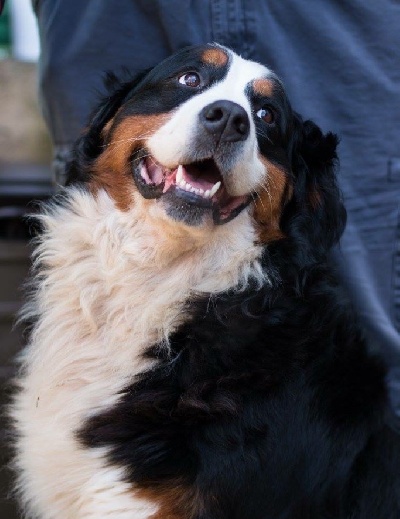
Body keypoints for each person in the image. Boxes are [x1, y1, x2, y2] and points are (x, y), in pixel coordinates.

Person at [33, 0, 399, 418]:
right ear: (108, 119)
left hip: (331, 24)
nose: (228, 117)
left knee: (371, 351)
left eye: (264, 115)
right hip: (112, 13)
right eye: (189, 79)